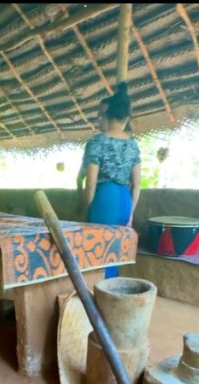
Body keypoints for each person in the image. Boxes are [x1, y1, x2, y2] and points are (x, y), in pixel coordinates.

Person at [79, 83, 141, 278]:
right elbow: (137, 185)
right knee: (115, 251)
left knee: (96, 251)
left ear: (106, 115)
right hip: (124, 201)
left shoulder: (97, 142)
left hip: (103, 199)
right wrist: (131, 212)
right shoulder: (133, 145)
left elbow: (90, 182)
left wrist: (86, 208)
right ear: (126, 118)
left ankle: (93, 297)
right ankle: (109, 294)